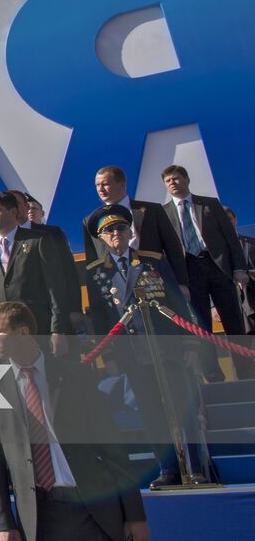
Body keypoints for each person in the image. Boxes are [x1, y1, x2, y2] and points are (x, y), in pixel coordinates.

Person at [0, 302, 149, 541]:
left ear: (23, 332)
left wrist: (135, 515)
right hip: (39, 517)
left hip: (92, 509)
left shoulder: (75, 375)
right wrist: (2, 524)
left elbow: (113, 448)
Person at [85, 204, 206, 489]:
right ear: (101, 238)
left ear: (130, 232)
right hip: (131, 352)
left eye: (120, 228)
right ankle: (168, 468)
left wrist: (189, 343)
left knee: (182, 407)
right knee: (150, 410)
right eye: (109, 231)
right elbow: (100, 317)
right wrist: (108, 353)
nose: (116, 234)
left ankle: (195, 467)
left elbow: (177, 302)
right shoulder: (95, 272)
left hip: (166, 346)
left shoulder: (152, 261)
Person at [162, 163, 253, 379]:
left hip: (217, 268)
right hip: (190, 273)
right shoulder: (163, 213)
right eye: (168, 181)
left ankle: (246, 373)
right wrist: (179, 282)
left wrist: (239, 268)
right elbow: (166, 248)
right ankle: (213, 375)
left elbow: (231, 238)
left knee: (234, 324)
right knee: (202, 327)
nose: (173, 183)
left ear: (186, 180)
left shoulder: (210, 204)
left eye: (176, 178)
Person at [0, 192, 75, 348]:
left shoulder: (38, 240)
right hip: (0, 333)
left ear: (13, 212)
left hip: (37, 327)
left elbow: (55, 287)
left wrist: (58, 329)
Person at [88, 165, 188, 289]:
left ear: (121, 184)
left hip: (155, 280)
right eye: (97, 185)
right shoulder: (91, 221)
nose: (100, 189)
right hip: (117, 287)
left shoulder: (152, 210)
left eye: (105, 184)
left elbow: (172, 247)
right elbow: (92, 262)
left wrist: (181, 283)